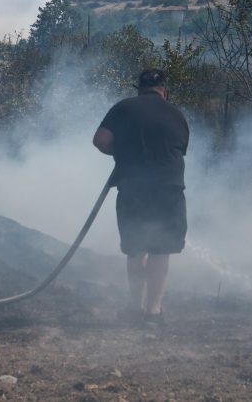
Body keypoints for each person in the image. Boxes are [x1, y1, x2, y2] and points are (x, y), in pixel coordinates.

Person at [92, 68, 189, 326]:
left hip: (133, 189)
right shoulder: (176, 114)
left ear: (139, 89)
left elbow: (100, 140)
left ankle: (134, 309)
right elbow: (178, 150)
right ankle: (153, 313)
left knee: (136, 248)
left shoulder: (124, 108)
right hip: (168, 190)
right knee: (161, 250)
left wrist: (122, 152)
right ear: (163, 91)